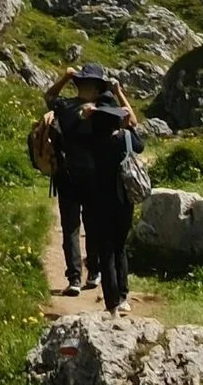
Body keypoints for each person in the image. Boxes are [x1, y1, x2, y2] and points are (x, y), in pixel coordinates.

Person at [46, 62, 140, 309]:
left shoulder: (71, 109)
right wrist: (117, 94)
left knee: (79, 228)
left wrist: (65, 78)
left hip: (74, 176)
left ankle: (84, 275)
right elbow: (132, 121)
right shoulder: (97, 113)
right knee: (87, 229)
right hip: (87, 180)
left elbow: (50, 97)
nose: (86, 86)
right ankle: (88, 275)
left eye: (88, 83)